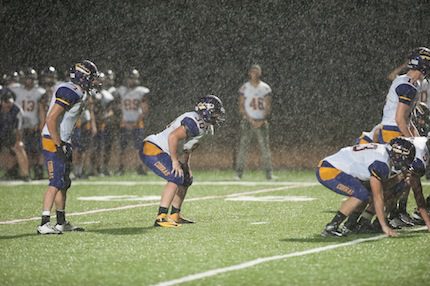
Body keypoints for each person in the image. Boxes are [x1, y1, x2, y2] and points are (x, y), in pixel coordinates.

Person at [140, 95, 225, 227]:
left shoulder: (206, 127)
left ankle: (175, 214)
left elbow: (187, 147)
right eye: (215, 113)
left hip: (164, 151)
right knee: (175, 176)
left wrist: (186, 165)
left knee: (185, 178)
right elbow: (173, 137)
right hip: (152, 148)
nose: (217, 117)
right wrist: (174, 161)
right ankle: (161, 217)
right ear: (206, 110)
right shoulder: (194, 121)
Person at [37, 60, 98, 235]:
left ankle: (61, 222)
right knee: (55, 181)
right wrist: (58, 143)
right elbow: (51, 119)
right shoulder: (70, 90)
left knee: (64, 183)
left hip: (62, 139)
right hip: (53, 139)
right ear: (83, 76)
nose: (94, 82)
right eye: (92, 78)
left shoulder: (79, 91)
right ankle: (44, 223)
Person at [316, 138, 416, 237]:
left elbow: (380, 187)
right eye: (405, 158)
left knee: (365, 192)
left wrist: (399, 177)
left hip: (334, 168)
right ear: (397, 155)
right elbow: (378, 196)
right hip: (329, 170)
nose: (406, 162)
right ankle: (331, 227)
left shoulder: (383, 153)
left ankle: (351, 224)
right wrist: (384, 225)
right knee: (360, 193)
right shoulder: (381, 162)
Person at [376, 47, 430, 143]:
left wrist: (416, 137)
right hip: (393, 131)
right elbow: (400, 119)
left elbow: (406, 117)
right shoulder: (407, 86)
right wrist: (412, 141)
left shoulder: (409, 82)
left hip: (396, 129)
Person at [235, 64, 274, 180]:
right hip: (248, 121)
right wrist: (250, 119)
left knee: (264, 148)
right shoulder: (245, 88)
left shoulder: (265, 88)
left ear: (260, 73)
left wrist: (262, 119)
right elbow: (241, 106)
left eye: (257, 71)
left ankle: (268, 174)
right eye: (253, 71)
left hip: (261, 121)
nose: (254, 74)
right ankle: (239, 173)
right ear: (249, 73)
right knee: (243, 147)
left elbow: (268, 105)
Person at [10, 68, 46, 179]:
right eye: (27, 78)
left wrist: (41, 125)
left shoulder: (40, 92)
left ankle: (36, 172)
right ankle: (21, 172)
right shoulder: (15, 90)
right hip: (18, 127)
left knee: (35, 151)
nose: (28, 81)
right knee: (19, 150)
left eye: (31, 79)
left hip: (33, 127)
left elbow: (42, 110)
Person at [117, 69, 150, 175]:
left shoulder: (142, 91)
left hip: (137, 123)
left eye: (133, 78)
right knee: (123, 147)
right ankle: (121, 168)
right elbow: (118, 107)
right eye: (130, 78)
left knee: (139, 147)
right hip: (124, 122)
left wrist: (136, 122)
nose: (131, 80)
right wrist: (123, 120)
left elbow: (145, 109)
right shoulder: (121, 91)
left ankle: (140, 167)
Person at [0, 88, 30, 181]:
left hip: (12, 134)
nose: (7, 105)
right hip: (2, 133)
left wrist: (18, 141)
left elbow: (19, 129)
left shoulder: (17, 110)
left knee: (19, 147)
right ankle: (8, 171)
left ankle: (25, 174)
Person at [89, 72, 115, 176]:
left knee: (106, 147)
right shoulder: (90, 93)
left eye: (101, 80)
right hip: (93, 123)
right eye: (97, 80)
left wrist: (106, 116)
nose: (99, 82)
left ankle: (104, 167)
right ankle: (93, 168)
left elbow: (111, 110)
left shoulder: (108, 95)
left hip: (105, 124)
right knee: (94, 147)